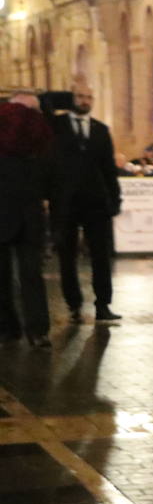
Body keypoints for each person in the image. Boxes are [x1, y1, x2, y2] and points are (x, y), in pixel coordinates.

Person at [47, 82, 122, 324]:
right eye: (79, 96)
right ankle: (74, 304)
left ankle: (103, 304)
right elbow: (43, 103)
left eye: (88, 97)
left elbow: (109, 169)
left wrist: (115, 199)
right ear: (71, 98)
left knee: (101, 255)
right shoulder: (56, 126)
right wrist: (64, 97)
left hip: (96, 202)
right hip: (65, 202)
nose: (84, 101)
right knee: (67, 256)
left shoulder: (101, 130)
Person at [0, 100, 54, 348]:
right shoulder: (39, 151)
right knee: (31, 275)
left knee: (4, 276)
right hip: (30, 219)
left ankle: (8, 328)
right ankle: (38, 330)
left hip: (9, 216)